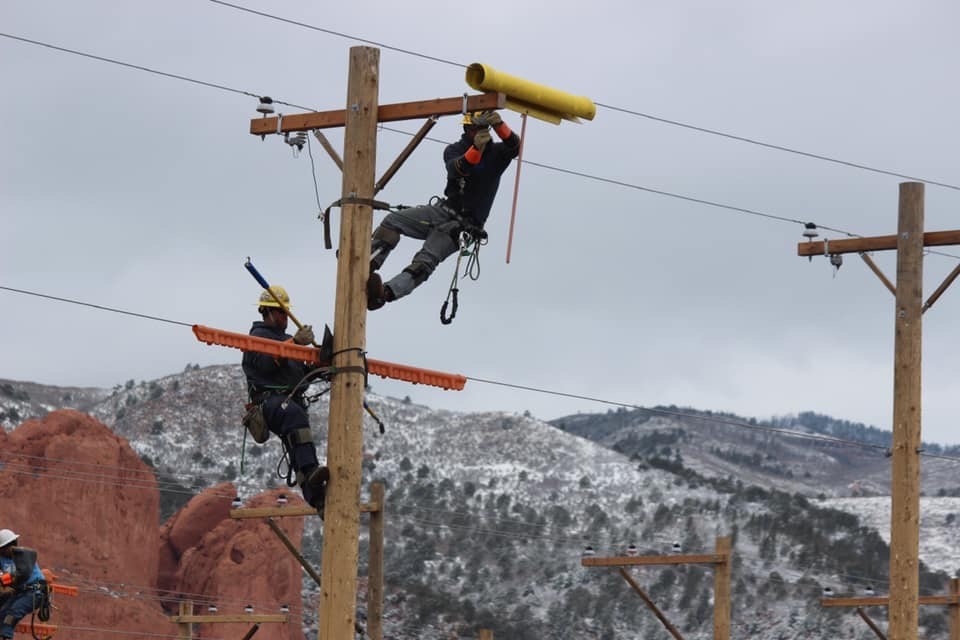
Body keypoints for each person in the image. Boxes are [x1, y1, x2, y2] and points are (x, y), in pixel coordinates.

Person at [367, 109, 521, 310]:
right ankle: (368, 264)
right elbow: (458, 168)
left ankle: (386, 293)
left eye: (483, 128)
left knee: (426, 259)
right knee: (393, 221)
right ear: (467, 129)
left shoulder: (497, 154)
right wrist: (476, 149)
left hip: (464, 226)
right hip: (442, 211)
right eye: (475, 128)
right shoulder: (454, 149)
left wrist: (500, 126)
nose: (479, 132)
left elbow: (514, 146)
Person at [241, 286, 329, 514]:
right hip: (269, 403)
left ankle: (318, 498)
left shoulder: (288, 340)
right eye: (281, 313)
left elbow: (300, 379)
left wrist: (319, 367)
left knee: (299, 442)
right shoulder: (256, 338)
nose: (285, 317)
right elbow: (267, 364)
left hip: (291, 402)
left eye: (286, 313)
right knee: (293, 416)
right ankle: (311, 473)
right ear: (267, 312)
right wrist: (295, 345)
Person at [0, 529, 46, 640]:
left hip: (34, 592)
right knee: (2, 616)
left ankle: (6, 637)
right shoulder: (1, 559)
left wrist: (3, 580)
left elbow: (22, 574)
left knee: (13, 613)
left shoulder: (24, 555)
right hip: (19, 593)